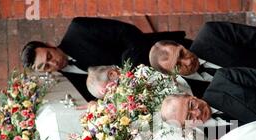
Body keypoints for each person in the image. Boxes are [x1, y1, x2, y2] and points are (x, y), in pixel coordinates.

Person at [21, 17, 190, 101]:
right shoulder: (69, 77)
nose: (53, 63)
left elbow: (128, 32)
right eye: (46, 66)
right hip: (159, 94)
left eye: (49, 56)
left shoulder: (78, 29)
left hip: (166, 56)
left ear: (50, 44)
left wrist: (126, 75)